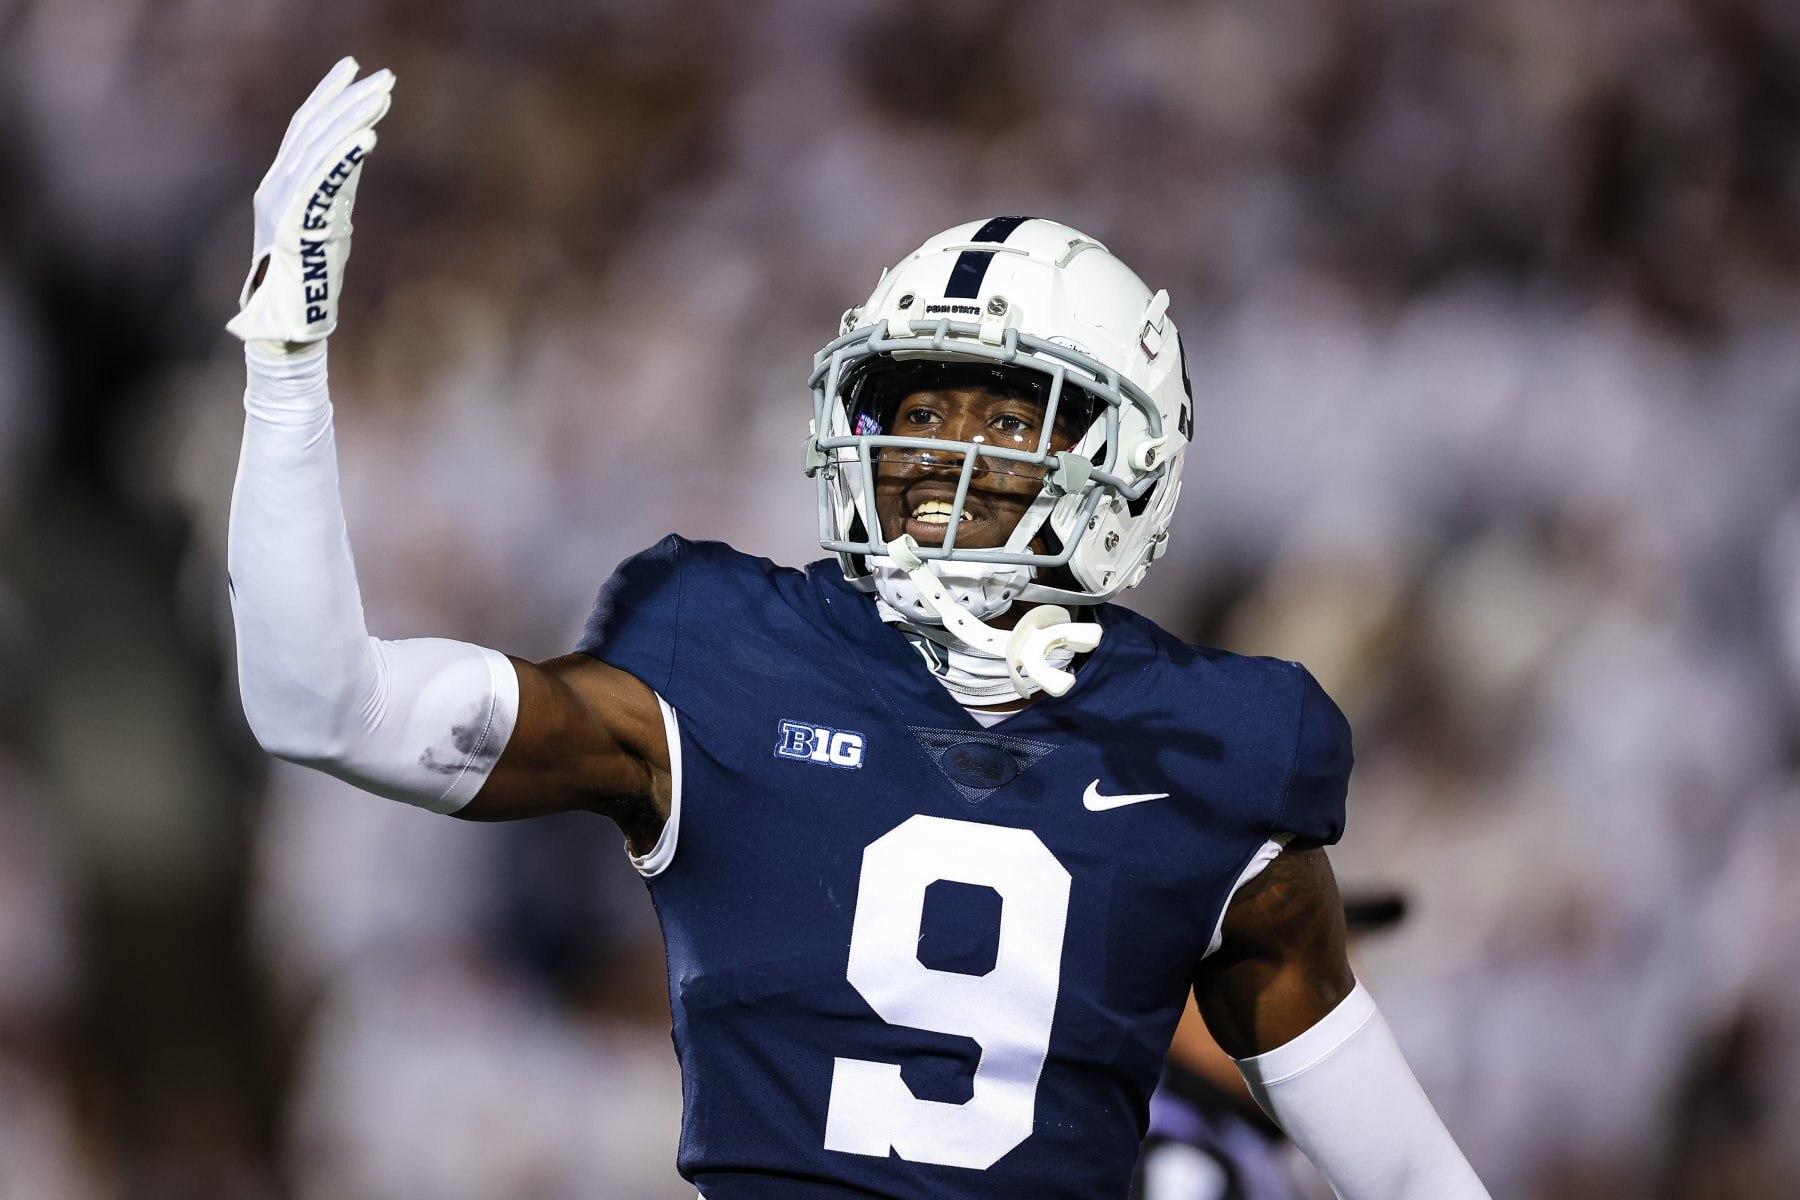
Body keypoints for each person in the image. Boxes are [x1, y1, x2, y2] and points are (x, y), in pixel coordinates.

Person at [225, 60, 1491, 1200]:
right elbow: (322, 708)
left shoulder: (1211, 749)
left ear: (1128, 461)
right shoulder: (721, 655)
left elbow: (1407, 1172)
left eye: (1010, 419)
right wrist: (286, 368)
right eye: (920, 409)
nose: (946, 452)